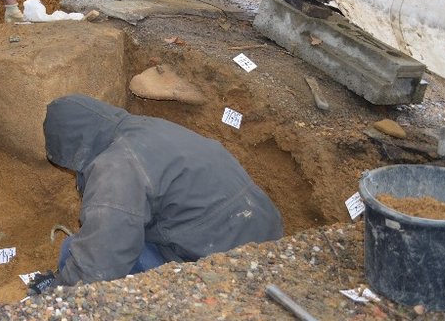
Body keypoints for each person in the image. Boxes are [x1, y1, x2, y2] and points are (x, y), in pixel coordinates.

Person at [29, 94, 283, 294]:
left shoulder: (117, 166)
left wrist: (58, 293)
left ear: (74, 144)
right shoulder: (148, 128)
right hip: (269, 239)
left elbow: (100, 264)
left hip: (228, 268)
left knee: (73, 250)